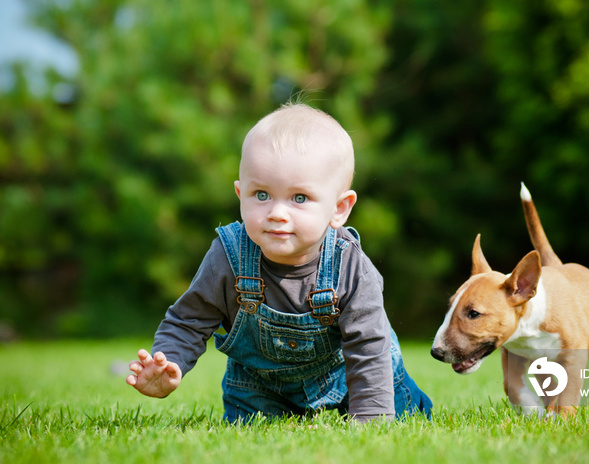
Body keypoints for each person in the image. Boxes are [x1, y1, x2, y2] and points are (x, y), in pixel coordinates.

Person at [126, 103, 432, 423]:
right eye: (261, 195)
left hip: (348, 378)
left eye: (299, 198)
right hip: (260, 388)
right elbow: (189, 319)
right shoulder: (228, 256)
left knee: (403, 412)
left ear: (339, 208)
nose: (276, 213)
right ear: (240, 193)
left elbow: (368, 345)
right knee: (249, 431)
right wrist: (170, 361)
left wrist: (371, 418)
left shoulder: (350, 265)